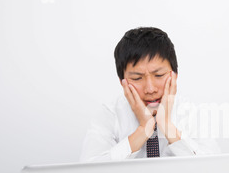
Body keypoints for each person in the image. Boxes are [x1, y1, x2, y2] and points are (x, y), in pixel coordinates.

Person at [80, 27, 220, 162]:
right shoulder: (110, 114)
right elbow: (90, 172)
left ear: (175, 75)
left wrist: (166, 125)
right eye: (137, 78)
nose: (150, 89)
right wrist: (143, 130)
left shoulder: (192, 112)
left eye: (158, 75)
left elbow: (213, 169)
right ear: (121, 81)